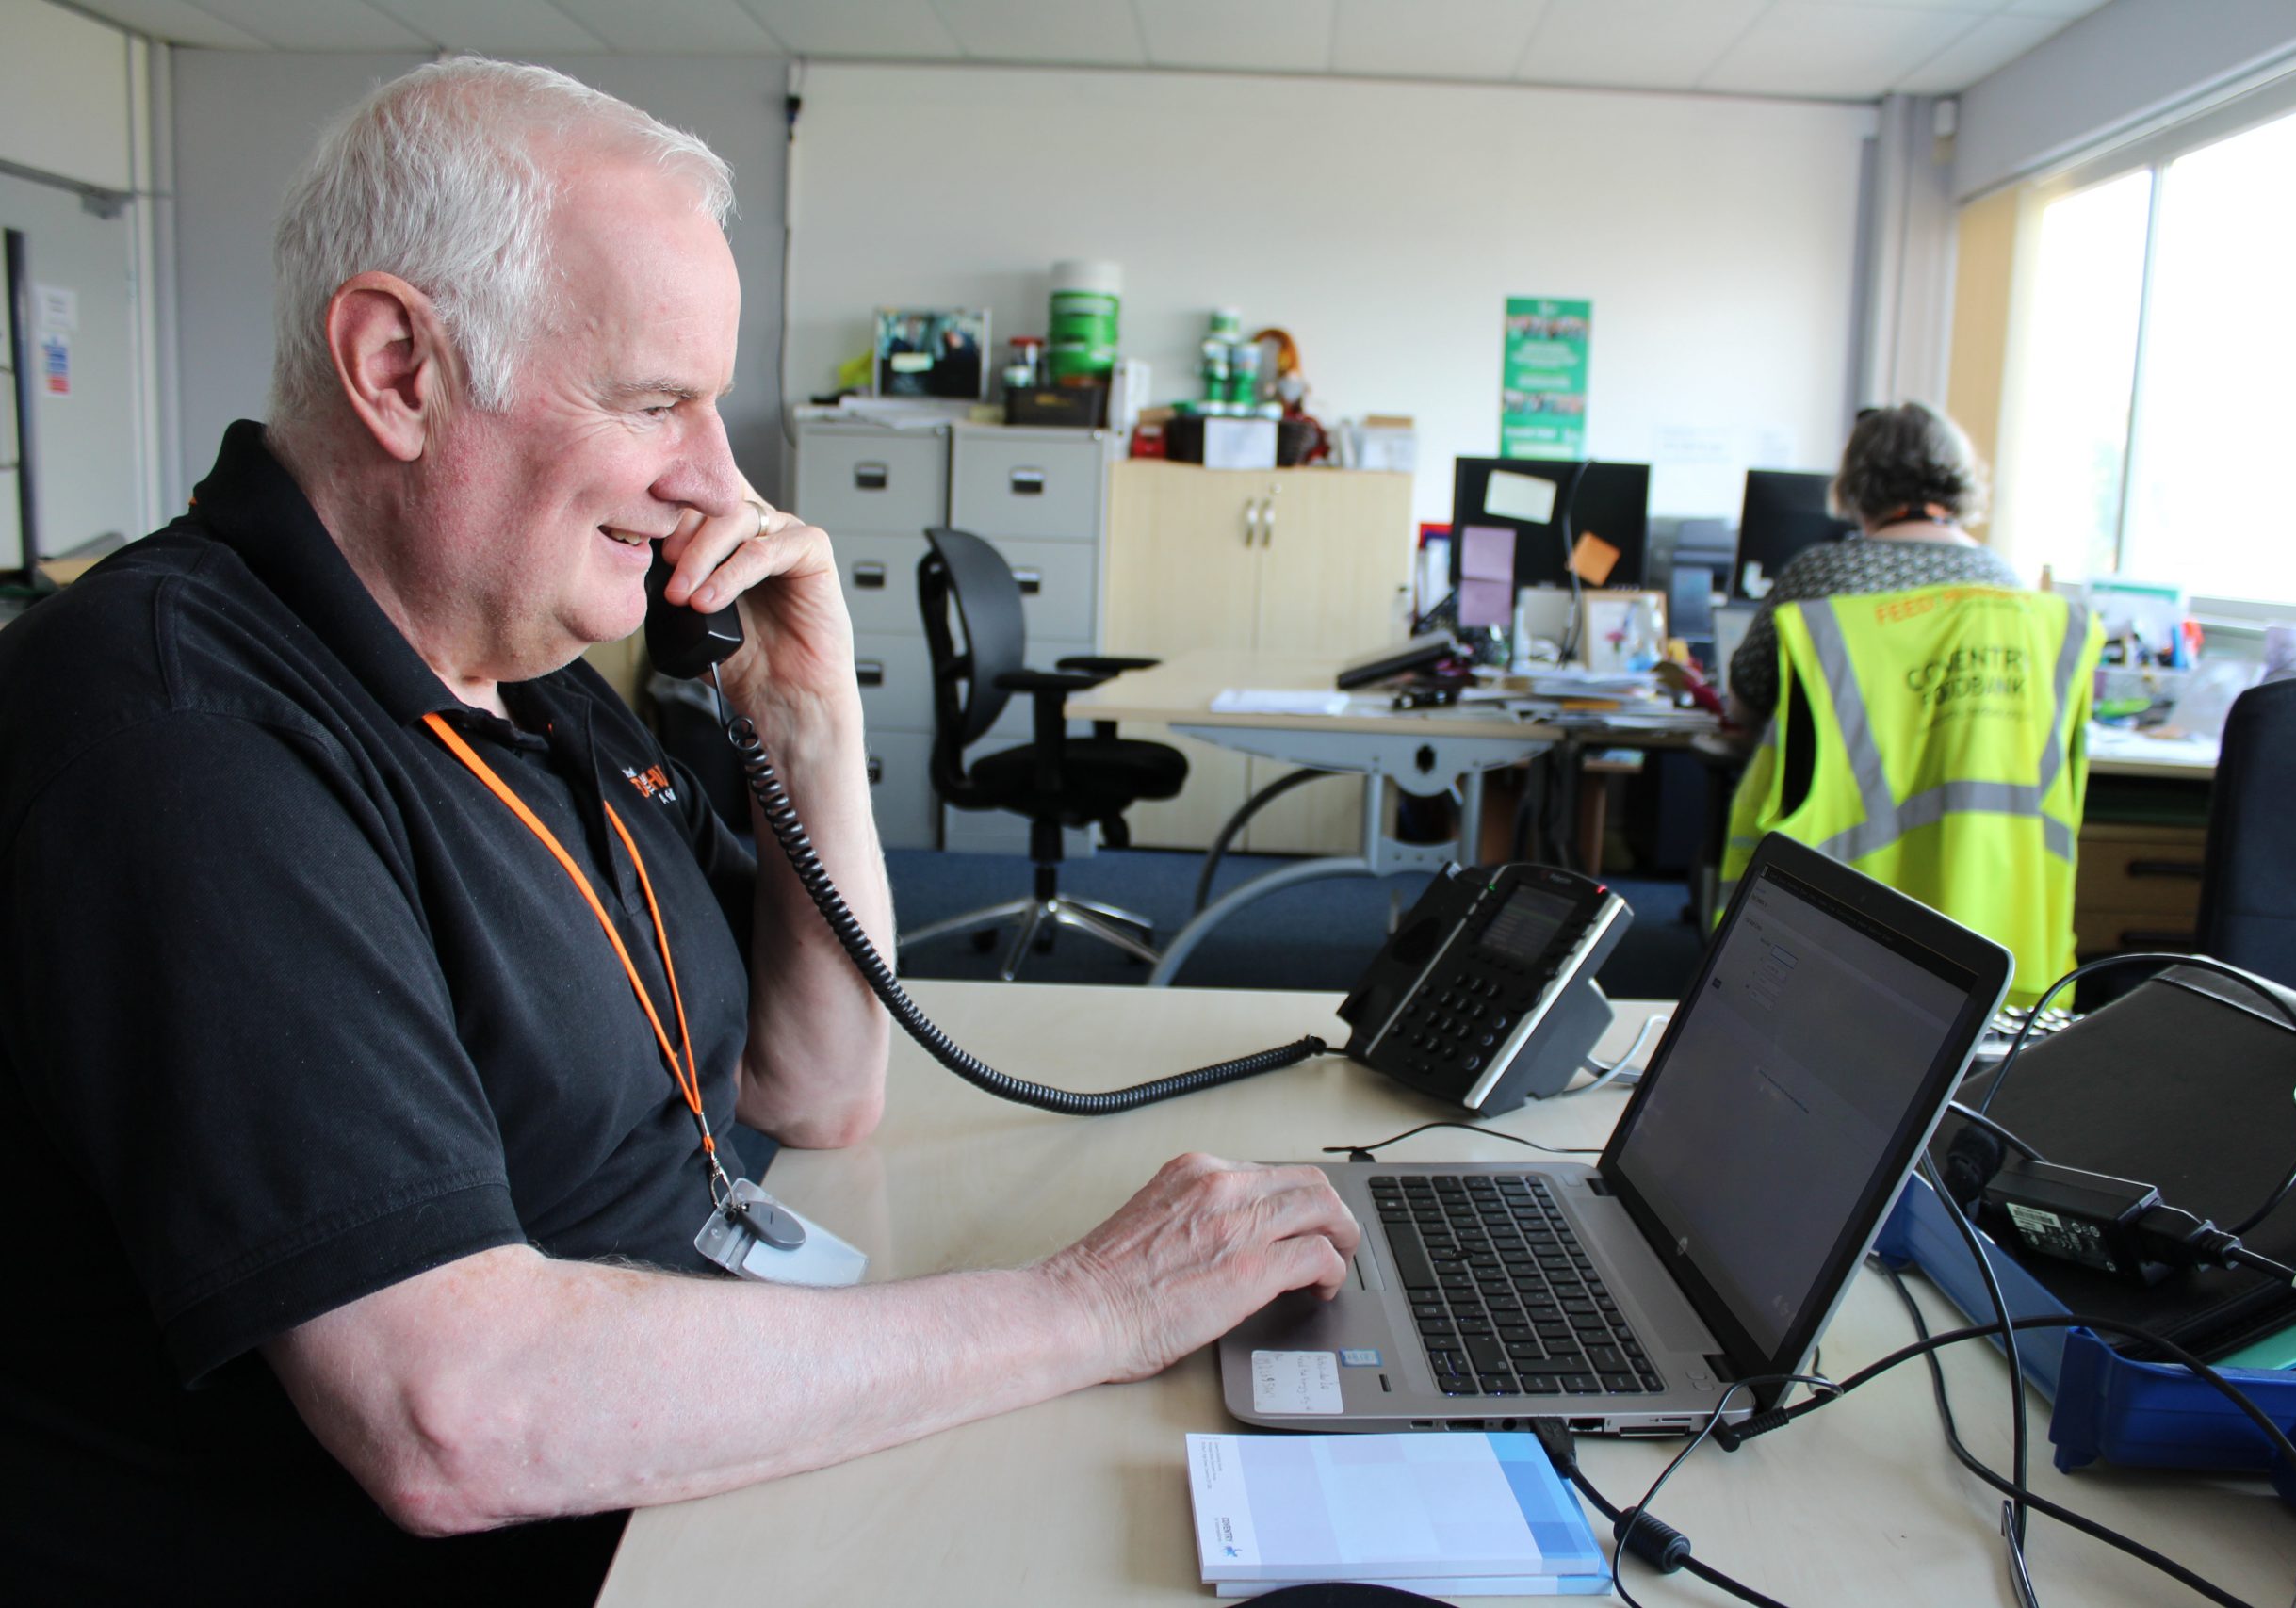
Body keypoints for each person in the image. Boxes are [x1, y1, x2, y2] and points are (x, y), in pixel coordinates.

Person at [0, 59, 1357, 1605]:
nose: (716, 478)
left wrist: (813, 720)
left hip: (686, 1459)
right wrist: (1087, 1311)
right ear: (397, 370)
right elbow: (456, 1413)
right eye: (656, 402)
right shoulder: (180, 733)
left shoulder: (533, 674)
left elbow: (817, 1084)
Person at [1722, 402, 2026, 728]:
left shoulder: (1822, 575)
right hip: (1973, 779)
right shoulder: (2004, 582)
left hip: (1844, 780)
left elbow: (1746, 706)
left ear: (1856, 481)